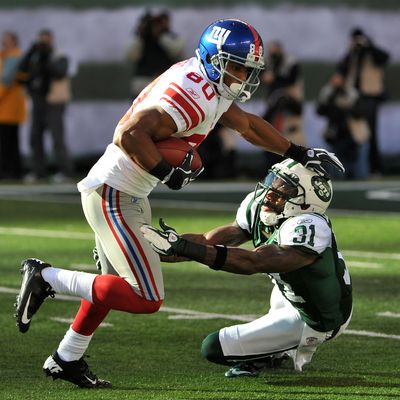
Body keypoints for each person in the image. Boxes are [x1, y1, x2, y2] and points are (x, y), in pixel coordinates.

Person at [15, 19, 344, 389]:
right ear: (212, 58)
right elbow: (129, 134)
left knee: (111, 285)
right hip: (113, 192)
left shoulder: (209, 83)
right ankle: (46, 277)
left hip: (126, 191)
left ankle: (66, 357)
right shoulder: (192, 95)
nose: (243, 75)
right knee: (146, 296)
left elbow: (248, 126)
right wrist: (165, 171)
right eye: (236, 66)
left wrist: (300, 151)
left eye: (247, 68)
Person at [141, 159, 353, 376]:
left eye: (285, 189)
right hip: (293, 291)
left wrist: (185, 248)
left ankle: (273, 353)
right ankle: (276, 349)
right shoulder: (261, 206)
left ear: (306, 204)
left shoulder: (309, 226)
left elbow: (254, 262)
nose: (271, 192)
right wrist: (152, 248)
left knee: (213, 347)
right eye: (274, 181)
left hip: (317, 317)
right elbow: (209, 241)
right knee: (284, 283)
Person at [17, 29, 73, 183]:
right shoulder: (34, 56)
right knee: (35, 137)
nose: (43, 44)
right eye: (40, 40)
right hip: (37, 101)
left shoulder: (58, 55)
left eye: (45, 41)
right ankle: (38, 171)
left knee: (57, 137)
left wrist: (45, 57)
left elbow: (60, 72)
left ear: (51, 40)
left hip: (54, 102)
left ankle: (65, 171)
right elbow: (21, 69)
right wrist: (31, 52)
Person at [337, 27, 390, 176]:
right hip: (354, 97)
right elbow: (341, 68)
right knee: (353, 133)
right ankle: (355, 169)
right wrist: (352, 50)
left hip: (369, 97)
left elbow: (384, 58)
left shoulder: (372, 53)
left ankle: (374, 168)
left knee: (370, 133)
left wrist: (369, 45)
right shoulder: (353, 55)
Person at [261, 41, 305, 170]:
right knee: (271, 139)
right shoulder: (268, 62)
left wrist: (274, 78)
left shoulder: (290, 63)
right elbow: (262, 78)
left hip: (290, 109)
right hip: (275, 112)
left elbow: (290, 79)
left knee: (293, 140)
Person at [316, 72, 369, 180]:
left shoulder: (352, 93)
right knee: (335, 162)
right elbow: (320, 111)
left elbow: (360, 112)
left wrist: (346, 106)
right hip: (335, 132)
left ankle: (358, 179)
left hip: (353, 132)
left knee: (356, 164)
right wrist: (332, 99)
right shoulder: (328, 92)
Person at [126, 10, 185, 99]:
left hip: (164, 85)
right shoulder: (141, 40)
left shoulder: (171, 37)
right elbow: (130, 56)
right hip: (142, 85)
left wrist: (160, 36)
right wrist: (142, 35)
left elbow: (177, 51)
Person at [0, 31, 27, 180]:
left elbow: (6, 81)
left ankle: (9, 171)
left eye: (7, 40)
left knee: (6, 142)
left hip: (8, 108)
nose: (4, 42)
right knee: (10, 141)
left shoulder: (13, 57)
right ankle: (13, 171)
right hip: (9, 108)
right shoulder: (7, 56)